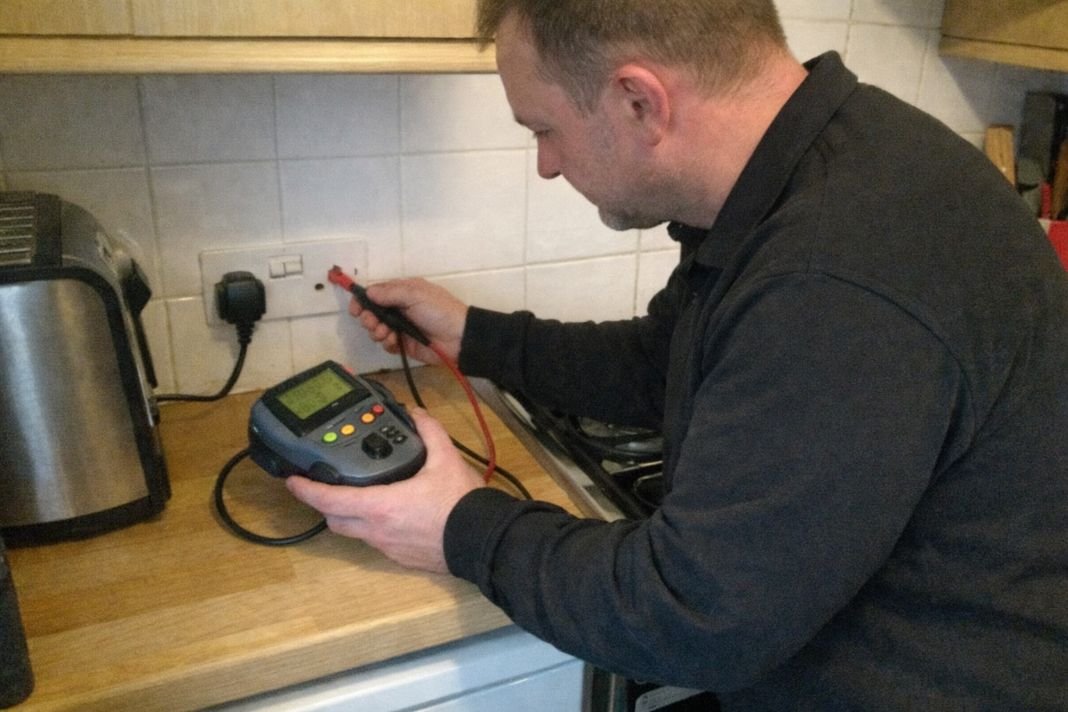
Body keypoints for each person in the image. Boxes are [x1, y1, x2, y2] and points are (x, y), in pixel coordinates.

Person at [287, 0, 1068, 708]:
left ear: (639, 101)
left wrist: (459, 526)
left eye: (543, 129)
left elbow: (694, 616)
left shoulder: (838, 275)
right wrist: (475, 336)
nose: (546, 164)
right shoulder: (823, 163)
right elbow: (665, 363)